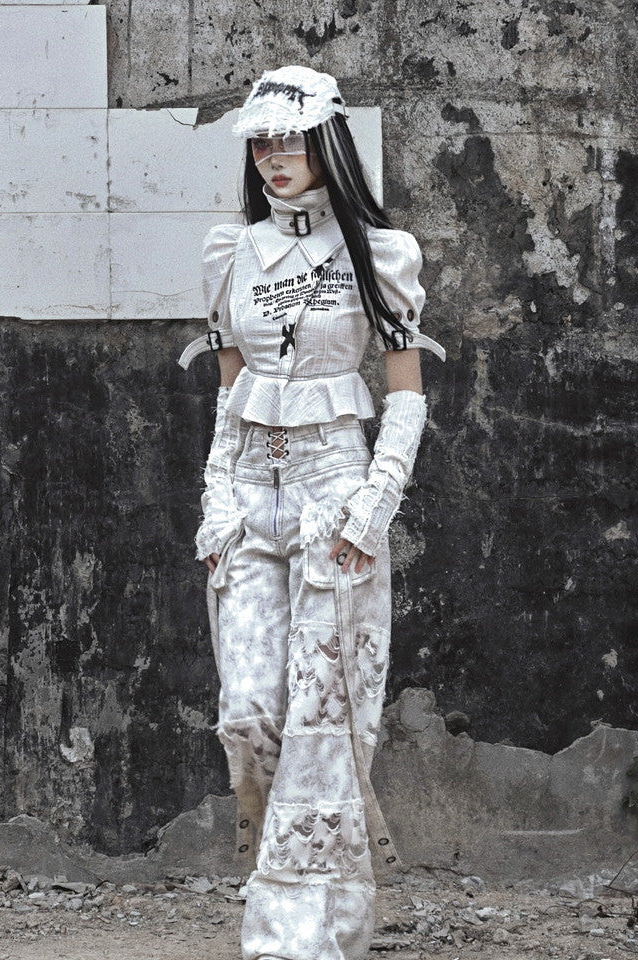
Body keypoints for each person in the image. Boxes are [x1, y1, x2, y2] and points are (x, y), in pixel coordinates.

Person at [178, 64, 446, 960]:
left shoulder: (380, 252)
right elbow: (228, 394)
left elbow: (405, 393)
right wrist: (216, 500)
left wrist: (375, 504)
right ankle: (289, 872)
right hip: (249, 493)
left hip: (335, 488)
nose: (274, 156)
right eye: (261, 142)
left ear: (327, 142)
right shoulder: (231, 251)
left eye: (290, 139)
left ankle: (302, 930)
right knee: (249, 711)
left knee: (324, 715)